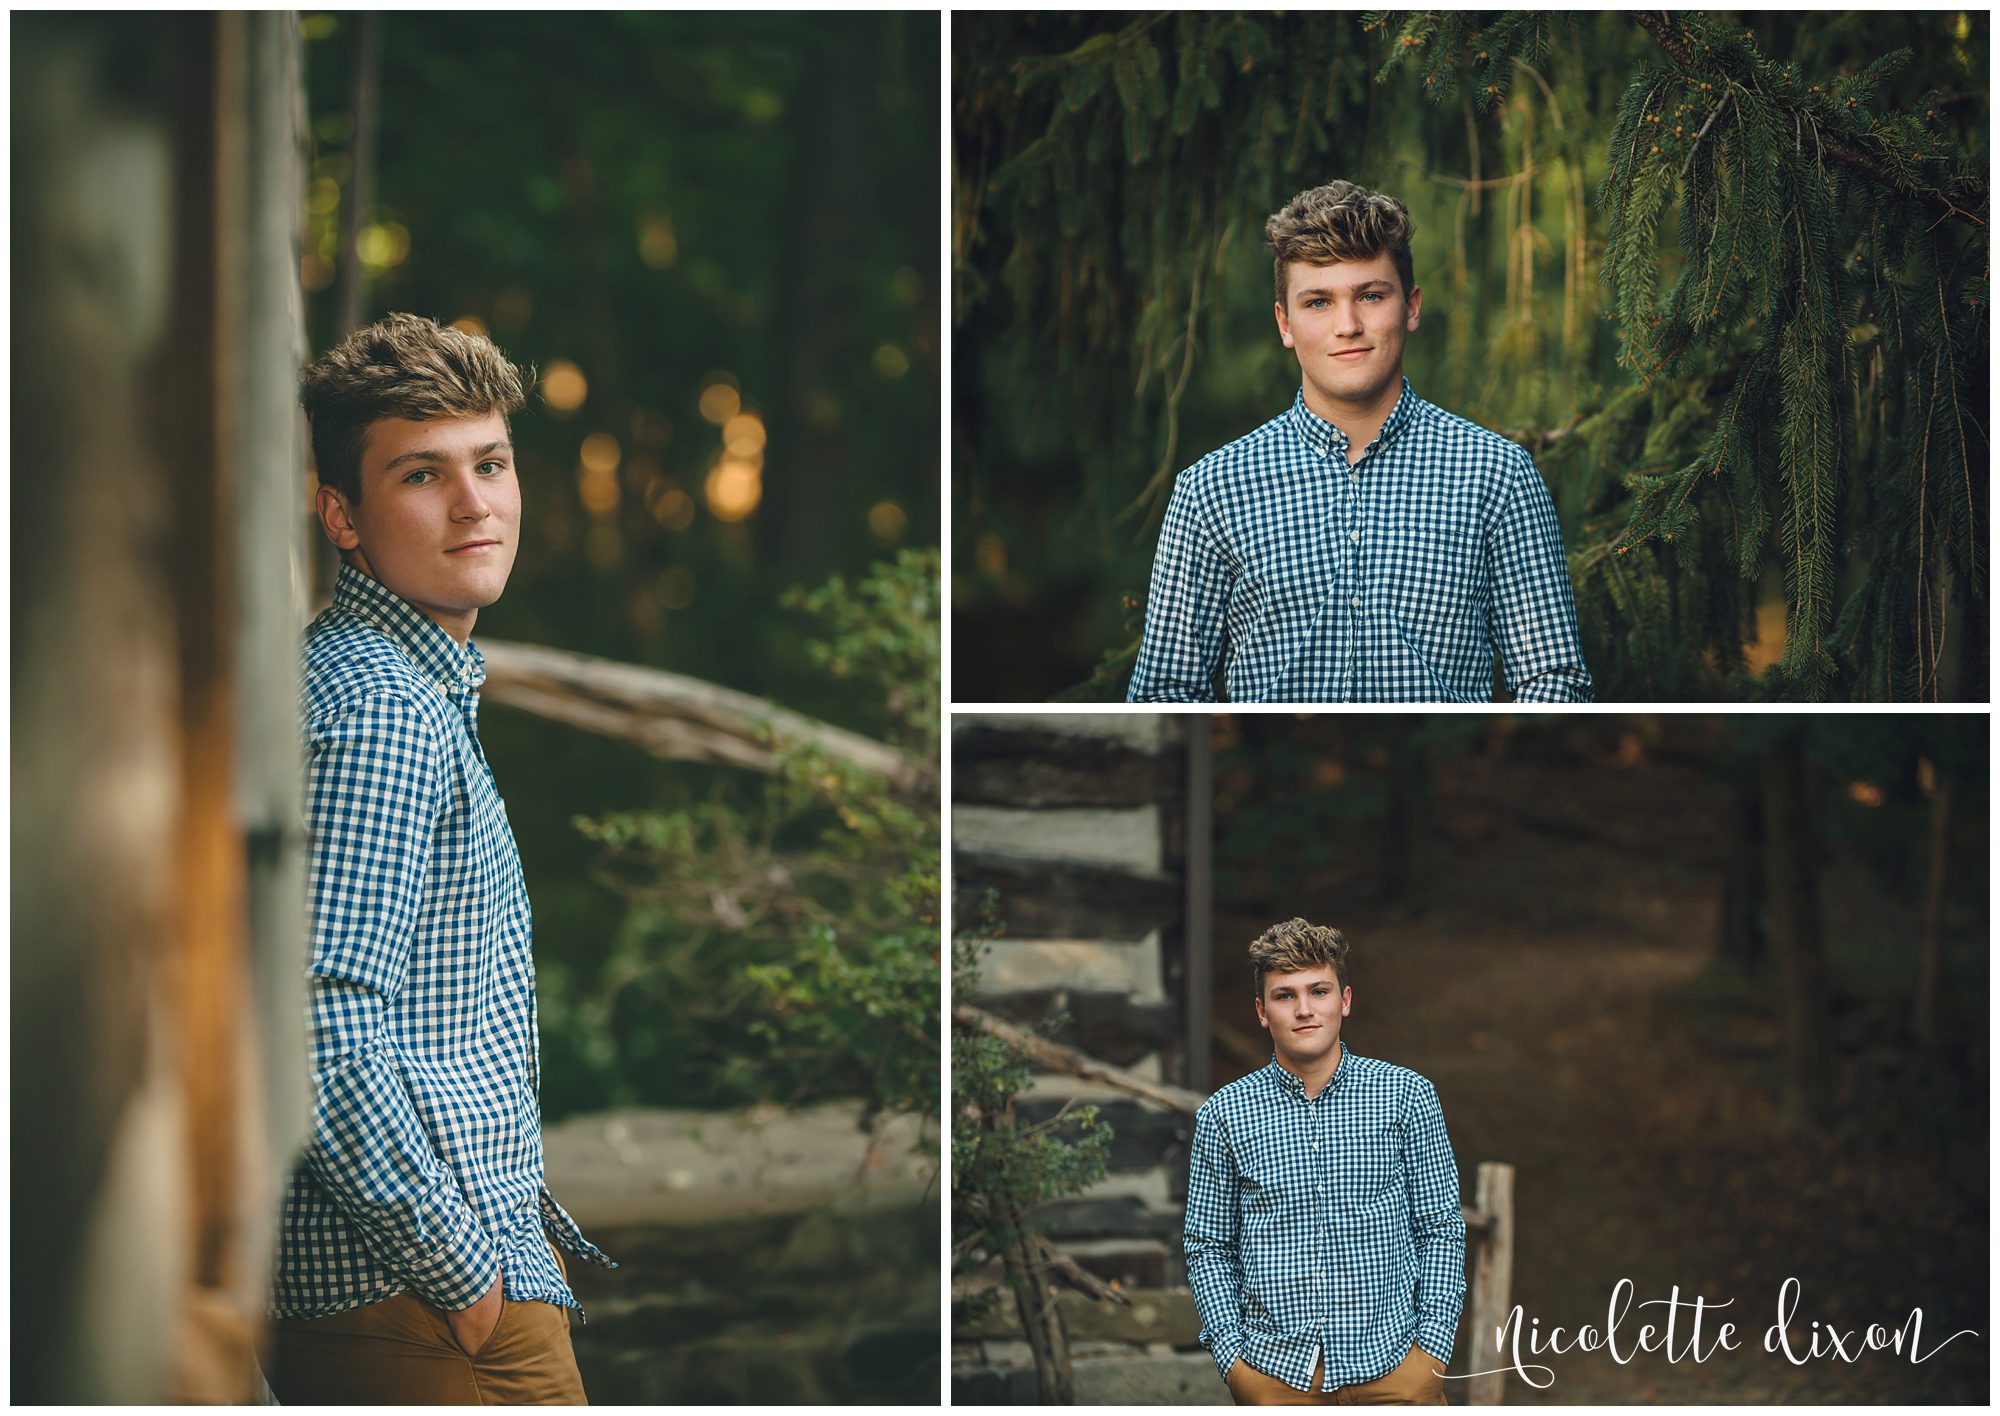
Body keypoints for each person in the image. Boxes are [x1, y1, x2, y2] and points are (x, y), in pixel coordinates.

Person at [266, 313, 612, 1404]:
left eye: (491, 464)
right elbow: (320, 1016)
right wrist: (463, 1272)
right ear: (343, 517)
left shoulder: (394, 683)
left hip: (416, 1298)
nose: (474, 504)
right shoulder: (380, 713)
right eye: (422, 474)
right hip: (415, 1309)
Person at [1128, 180, 1591, 703]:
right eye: (1319, 302)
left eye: (1370, 296)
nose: (1347, 325)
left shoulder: (1496, 474)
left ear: (1410, 307)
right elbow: (1164, 695)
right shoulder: (1212, 490)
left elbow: (1552, 682)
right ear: (1285, 323)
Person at [1184, 918, 1465, 1405]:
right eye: (1285, 995)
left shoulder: (1406, 1096)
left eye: (1319, 990)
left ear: (1345, 1000)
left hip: (1395, 1370)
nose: (1305, 1009)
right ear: (1261, 1011)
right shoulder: (1223, 1115)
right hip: (1275, 1378)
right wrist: (1234, 1361)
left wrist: (1432, 1353)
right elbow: (1208, 1244)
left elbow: (1441, 1226)